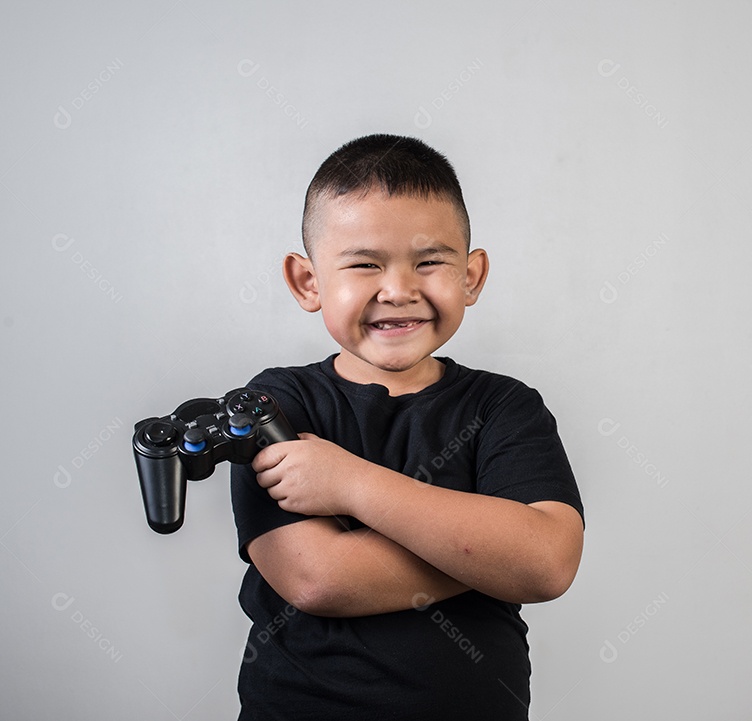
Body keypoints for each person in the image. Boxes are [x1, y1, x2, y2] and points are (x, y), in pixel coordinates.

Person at [230, 134, 585, 720]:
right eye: (365, 263)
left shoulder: (504, 406)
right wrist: (489, 551)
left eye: (430, 262)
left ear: (471, 276)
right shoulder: (273, 404)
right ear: (308, 282)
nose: (398, 290)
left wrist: (349, 484)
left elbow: (546, 563)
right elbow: (318, 578)